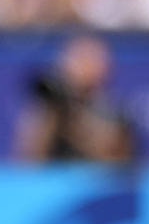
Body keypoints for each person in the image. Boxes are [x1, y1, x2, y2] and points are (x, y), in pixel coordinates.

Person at [15, 34, 136, 163]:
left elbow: (114, 158)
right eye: (78, 59)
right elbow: (28, 159)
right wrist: (51, 116)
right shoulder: (50, 107)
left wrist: (72, 122)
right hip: (55, 179)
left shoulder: (115, 111)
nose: (83, 67)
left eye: (90, 59)